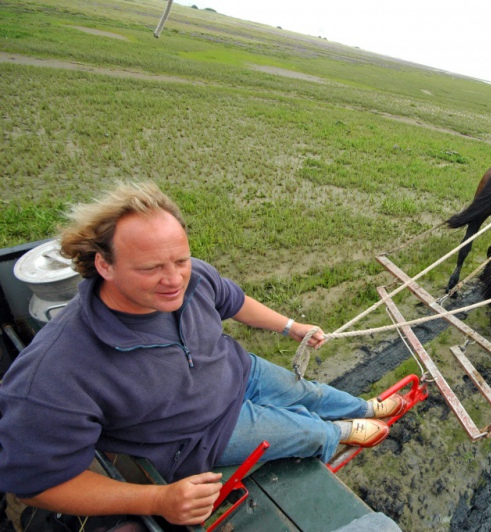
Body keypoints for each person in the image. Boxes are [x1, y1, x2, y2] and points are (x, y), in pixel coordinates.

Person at [0, 182, 406, 525]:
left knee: (311, 393)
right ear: (104, 265)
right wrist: (156, 501)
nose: (174, 280)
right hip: (199, 433)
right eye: (151, 268)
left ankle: (366, 407)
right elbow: (37, 484)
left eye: (181, 260)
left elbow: (235, 301)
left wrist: (291, 326)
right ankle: (339, 431)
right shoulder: (57, 370)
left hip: (238, 371)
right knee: (306, 429)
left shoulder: (193, 277)